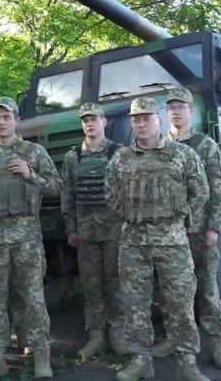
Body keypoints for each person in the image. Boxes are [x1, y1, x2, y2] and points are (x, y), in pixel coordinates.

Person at [105, 96, 210, 381]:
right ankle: (140, 361)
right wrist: (130, 214)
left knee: (180, 304)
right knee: (135, 305)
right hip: (133, 243)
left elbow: (200, 191)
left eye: (146, 118)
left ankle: (188, 363)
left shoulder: (182, 155)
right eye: (136, 119)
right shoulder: (120, 158)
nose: (141, 123)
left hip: (172, 241)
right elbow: (110, 195)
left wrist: (179, 213)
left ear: (158, 120)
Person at [0, 96, 62, 380]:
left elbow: (57, 187)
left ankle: (42, 358)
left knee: (33, 299)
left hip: (26, 241)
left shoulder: (33, 152)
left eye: (5, 117)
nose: (0, 123)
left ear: (16, 120)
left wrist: (31, 175)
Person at [153, 87, 221, 369]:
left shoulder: (204, 144)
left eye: (180, 106)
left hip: (199, 231)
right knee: (172, 292)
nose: (175, 111)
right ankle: (177, 339)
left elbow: (219, 189)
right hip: (171, 233)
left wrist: (214, 227)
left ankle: (216, 345)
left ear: (191, 110)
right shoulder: (160, 147)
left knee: (208, 290)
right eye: (171, 107)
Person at [61, 102, 128, 359]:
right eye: (85, 120)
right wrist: (71, 229)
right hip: (86, 232)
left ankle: (118, 333)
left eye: (94, 119)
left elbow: (126, 192)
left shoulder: (118, 153)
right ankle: (96, 336)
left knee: (116, 282)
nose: (90, 124)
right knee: (91, 284)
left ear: (104, 121)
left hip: (114, 231)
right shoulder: (73, 157)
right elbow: (68, 195)